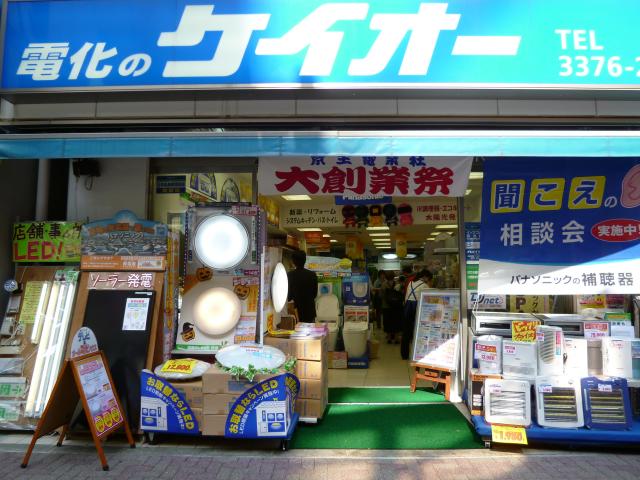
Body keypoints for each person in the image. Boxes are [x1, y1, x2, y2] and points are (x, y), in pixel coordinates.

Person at [401, 269, 434, 360]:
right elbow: (429, 298)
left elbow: (406, 297)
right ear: (425, 277)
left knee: (406, 332)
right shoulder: (424, 285)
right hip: (417, 308)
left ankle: (404, 354)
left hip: (407, 308)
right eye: (429, 279)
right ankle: (417, 354)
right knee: (418, 332)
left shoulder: (411, 283)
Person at [287, 250, 318, 323]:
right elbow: (314, 294)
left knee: (296, 330)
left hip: (296, 312)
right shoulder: (312, 275)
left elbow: (289, 296)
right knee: (310, 329)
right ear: (305, 260)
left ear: (293, 261)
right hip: (309, 311)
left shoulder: (289, 275)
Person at [382, 271, 403, 343]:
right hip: (396, 307)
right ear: (393, 276)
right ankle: (396, 339)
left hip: (386, 306)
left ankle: (389, 338)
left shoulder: (384, 284)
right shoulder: (397, 284)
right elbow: (400, 294)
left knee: (388, 323)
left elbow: (381, 295)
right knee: (396, 322)